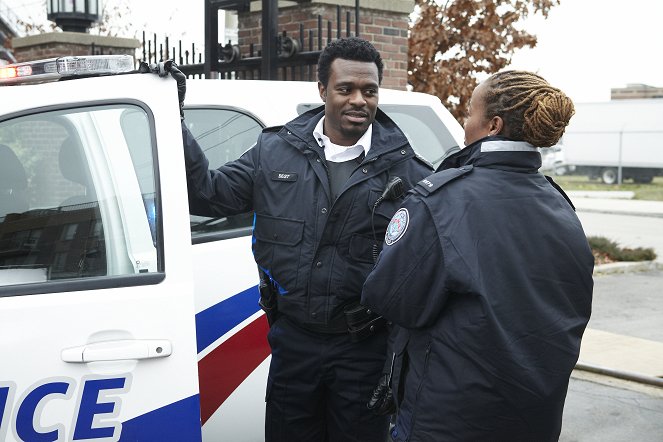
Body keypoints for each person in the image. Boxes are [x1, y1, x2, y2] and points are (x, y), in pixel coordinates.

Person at [177, 37, 432, 441]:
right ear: (322, 91)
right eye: (345, 89)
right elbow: (209, 193)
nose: (359, 101)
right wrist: (176, 121)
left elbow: (427, 271)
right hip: (294, 345)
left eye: (369, 90)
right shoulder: (274, 152)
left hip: (365, 351)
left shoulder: (409, 173)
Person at [361, 70, 594, 441]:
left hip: (450, 419)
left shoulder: (442, 200)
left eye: (470, 112)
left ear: (493, 125)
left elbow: (394, 300)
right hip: (536, 418)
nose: (464, 123)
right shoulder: (561, 206)